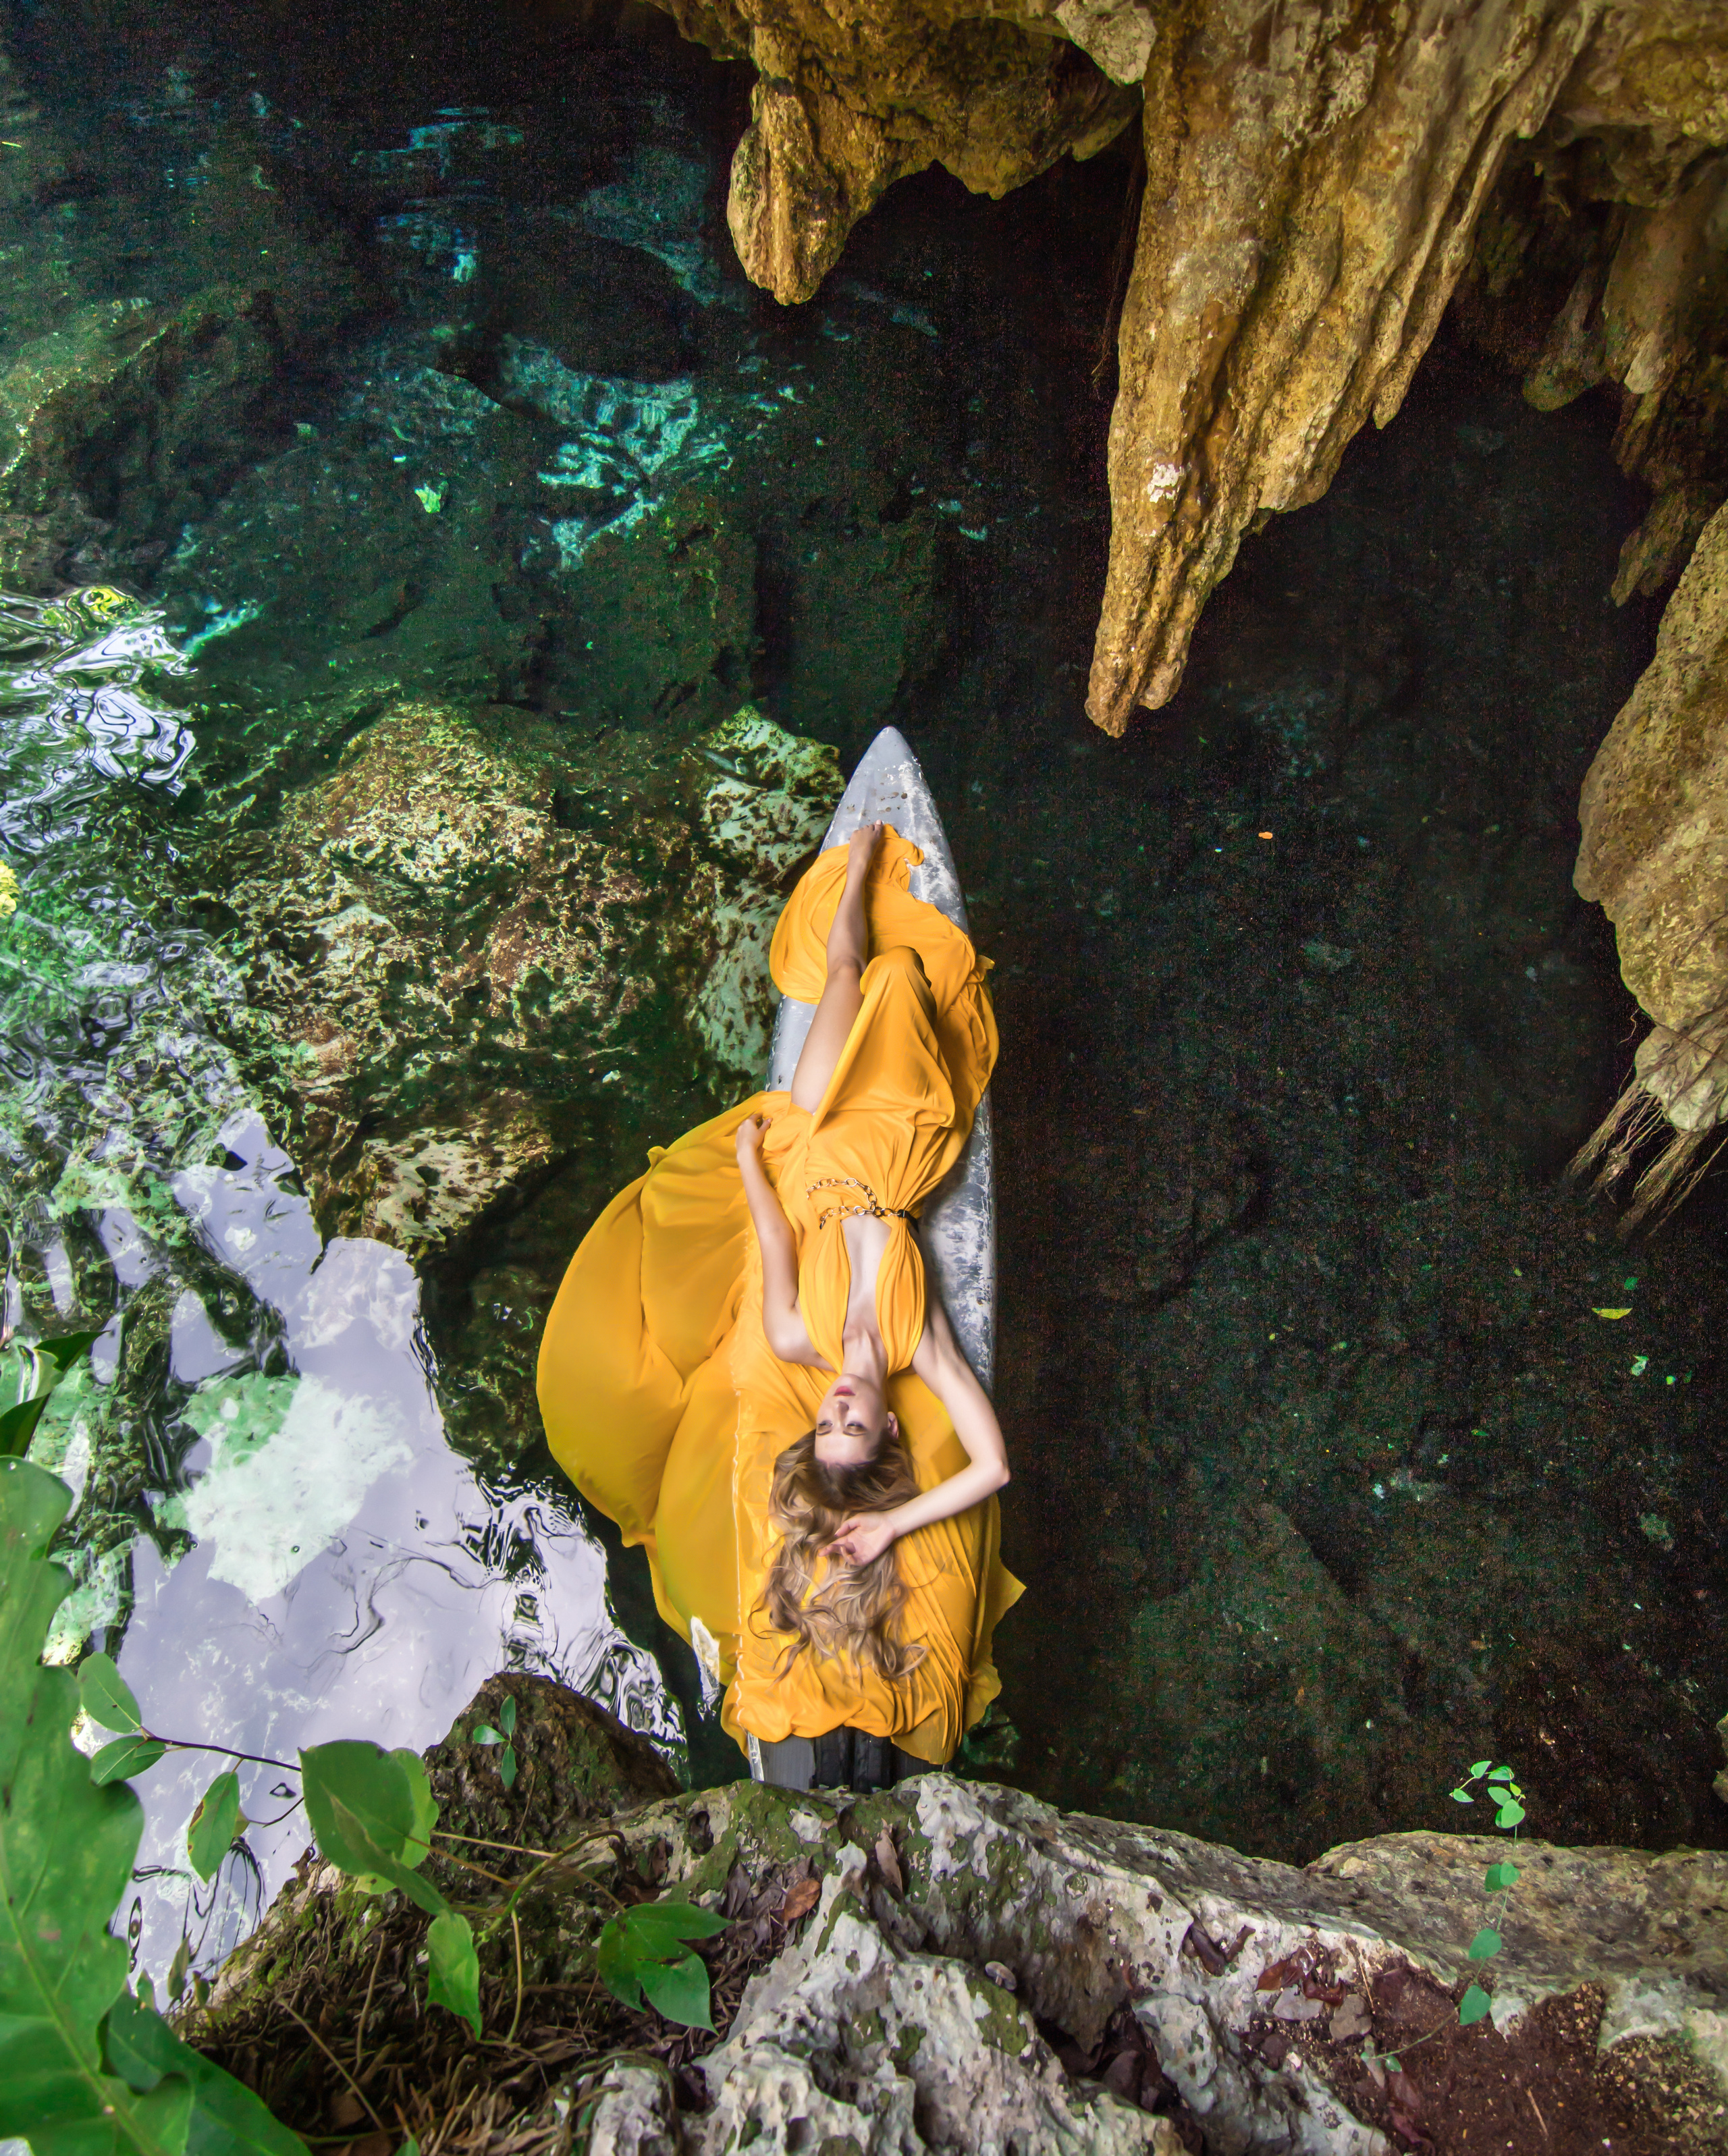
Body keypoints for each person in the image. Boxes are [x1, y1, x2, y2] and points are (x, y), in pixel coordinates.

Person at [537, 816, 1019, 1781]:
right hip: (892, 1156)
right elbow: (993, 1466)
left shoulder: (797, 1336)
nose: (839, 1403)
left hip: (813, 1156)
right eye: (855, 1422)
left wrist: (755, 1159)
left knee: (848, 979)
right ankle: (862, 886)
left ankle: (854, 888)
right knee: (901, 989)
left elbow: (769, 1238)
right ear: (888, 1431)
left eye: (829, 1421)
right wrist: (895, 1523)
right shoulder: (919, 1345)